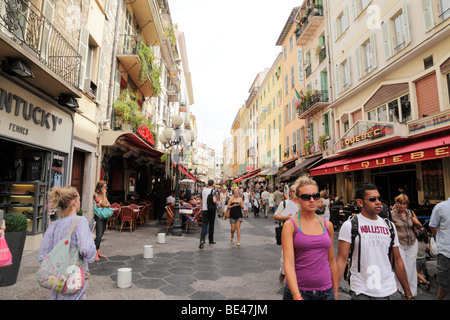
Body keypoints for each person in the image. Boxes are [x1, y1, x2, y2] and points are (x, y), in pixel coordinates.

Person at [336, 184, 414, 300]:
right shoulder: (350, 225)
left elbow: (398, 261)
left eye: (379, 198)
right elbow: (341, 261)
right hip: (361, 289)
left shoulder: (389, 226)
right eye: (372, 199)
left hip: (386, 289)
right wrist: (334, 291)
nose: (378, 202)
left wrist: (407, 292)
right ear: (360, 202)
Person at [281, 176, 338, 300]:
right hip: (299, 291)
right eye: (306, 197)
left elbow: (332, 261)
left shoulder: (328, 225)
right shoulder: (290, 225)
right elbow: (289, 264)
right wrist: (296, 296)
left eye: (316, 196)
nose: (312, 200)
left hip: (326, 292)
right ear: (297, 199)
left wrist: (336, 292)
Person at [38, 186, 96, 300]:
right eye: (79, 200)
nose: (79, 203)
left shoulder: (54, 225)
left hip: (57, 277)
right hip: (74, 277)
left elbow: (42, 255)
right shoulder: (80, 221)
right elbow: (87, 250)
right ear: (74, 202)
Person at [391, 193, 423, 297]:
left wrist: (415, 222)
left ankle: (412, 293)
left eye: (405, 204)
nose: (403, 206)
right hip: (399, 243)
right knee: (401, 267)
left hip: (412, 243)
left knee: (411, 267)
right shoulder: (392, 214)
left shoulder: (410, 213)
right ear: (397, 202)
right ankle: (402, 290)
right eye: (401, 203)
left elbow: (419, 225)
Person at [274, 184, 300, 283]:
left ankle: (294, 278)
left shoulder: (302, 203)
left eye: (296, 191)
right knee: (285, 256)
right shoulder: (284, 203)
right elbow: (276, 216)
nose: (294, 193)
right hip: (287, 232)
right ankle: (284, 272)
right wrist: (286, 218)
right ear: (290, 192)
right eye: (293, 191)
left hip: (300, 232)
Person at [429, 197, 450, 300]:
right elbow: (432, 225)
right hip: (445, 252)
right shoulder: (441, 207)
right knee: (444, 283)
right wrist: (441, 239)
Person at [93, 180, 110, 261]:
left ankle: (97, 251)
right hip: (99, 217)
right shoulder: (96, 195)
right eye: (104, 187)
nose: (106, 189)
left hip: (104, 216)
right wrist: (103, 198)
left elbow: (107, 204)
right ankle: (95, 253)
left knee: (102, 233)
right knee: (99, 234)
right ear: (100, 188)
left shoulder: (103, 195)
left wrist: (104, 203)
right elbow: (103, 204)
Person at [199, 180, 217, 249]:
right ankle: (211, 240)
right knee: (211, 225)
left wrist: (202, 206)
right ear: (213, 184)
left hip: (205, 209)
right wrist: (217, 203)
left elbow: (201, 200)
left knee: (204, 225)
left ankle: (202, 240)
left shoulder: (203, 190)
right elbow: (214, 200)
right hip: (211, 210)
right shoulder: (213, 191)